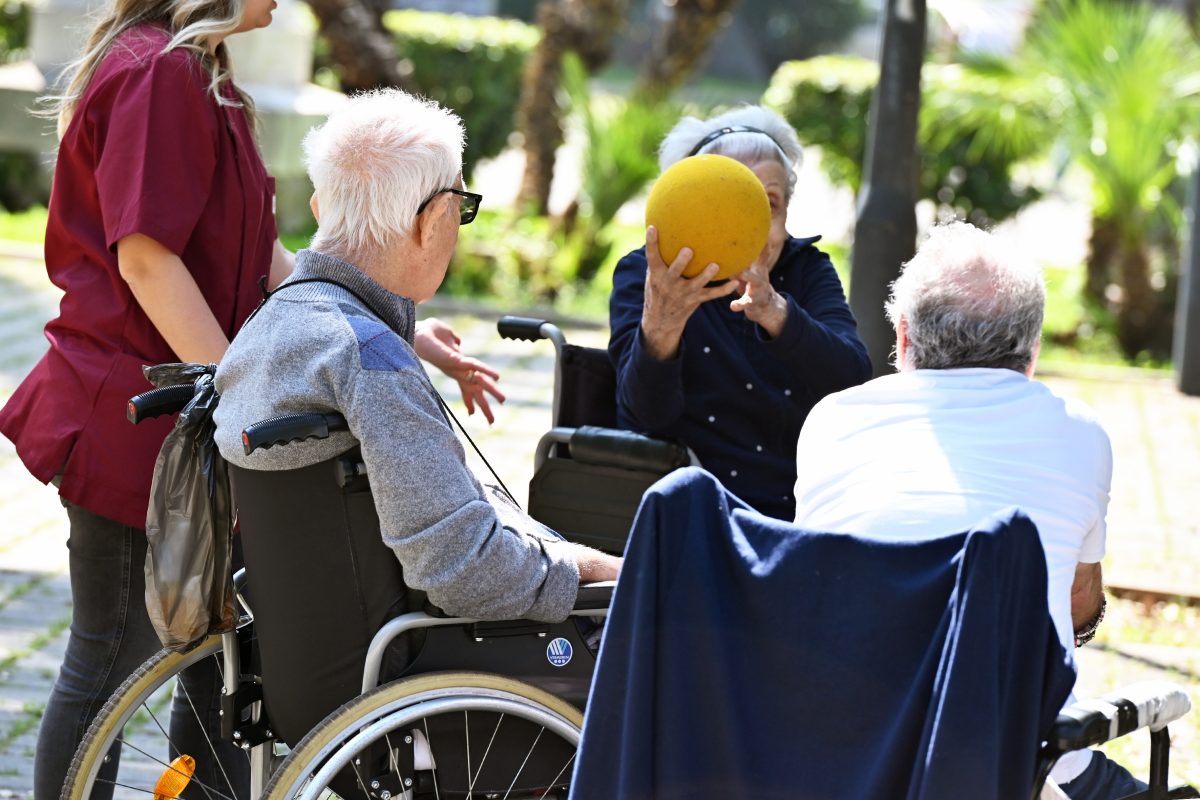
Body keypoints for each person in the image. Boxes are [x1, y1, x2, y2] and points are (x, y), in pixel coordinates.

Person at [0, 2, 500, 796]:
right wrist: (247, 395)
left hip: (186, 423)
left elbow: (260, 256)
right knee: (110, 662)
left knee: (228, 666)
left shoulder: (201, 71)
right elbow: (147, 261)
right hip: (139, 429)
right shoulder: (160, 70)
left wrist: (398, 331)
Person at [211, 88, 622, 741]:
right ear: (431, 220)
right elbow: (463, 569)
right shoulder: (370, 359)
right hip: (418, 695)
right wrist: (591, 569)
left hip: (315, 680)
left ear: (322, 207)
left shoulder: (268, 331)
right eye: (462, 210)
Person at [791, 221, 1132, 799]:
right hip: (1017, 762)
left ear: (901, 337)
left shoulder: (831, 421)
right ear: (1033, 350)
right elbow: (1078, 604)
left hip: (842, 754)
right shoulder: (1080, 435)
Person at [608, 105, 872, 521]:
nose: (753, 223)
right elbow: (644, 417)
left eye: (769, 204)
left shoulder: (806, 269)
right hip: (687, 507)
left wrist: (773, 310)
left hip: (799, 507)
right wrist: (663, 323)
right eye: (731, 203)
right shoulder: (650, 274)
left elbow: (852, 378)